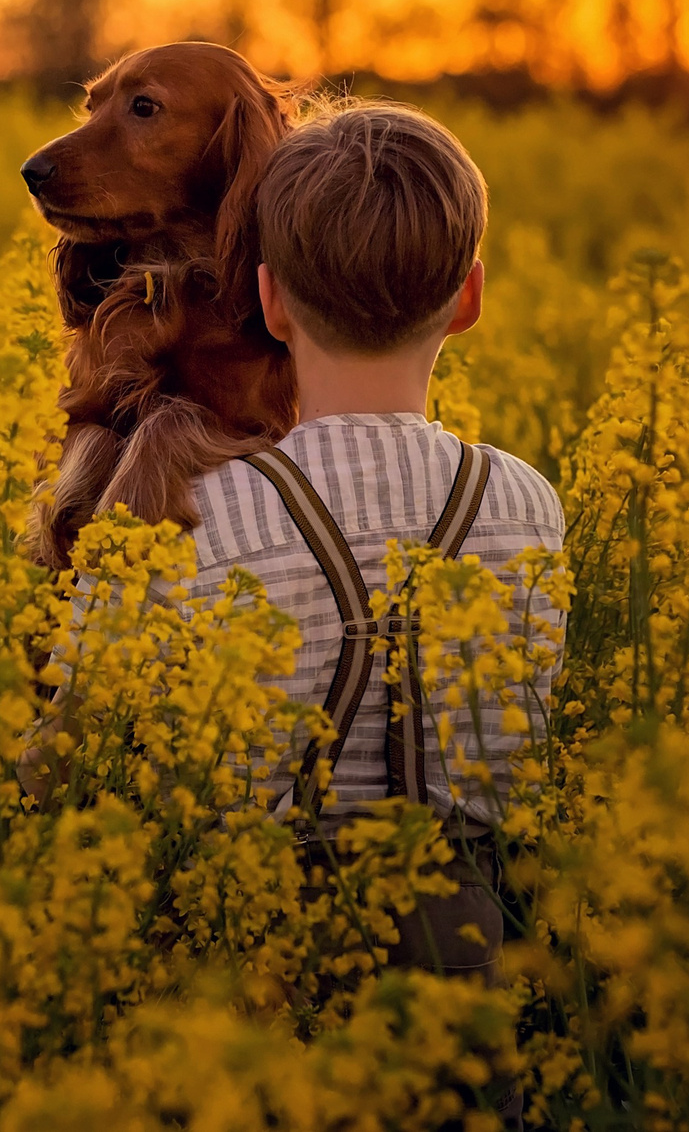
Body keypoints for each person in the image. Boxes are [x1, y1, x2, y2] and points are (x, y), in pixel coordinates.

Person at [185, 100, 565, 980]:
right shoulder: (525, 504)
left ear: (269, 299)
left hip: (252, 976)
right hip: (468, 966)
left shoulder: (198, 516)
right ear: (469, 296)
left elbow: (67, 764)